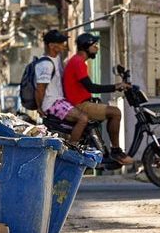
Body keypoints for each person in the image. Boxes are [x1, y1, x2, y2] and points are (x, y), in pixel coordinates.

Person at [62, 33, 133, 164]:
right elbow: (91, 87)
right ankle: (116, 151)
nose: (97, 48)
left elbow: (83, 88)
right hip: (80, 105)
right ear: (86, 46)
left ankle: (104, 150)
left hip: (81, 102)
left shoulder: (77, 61)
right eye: (94, 45)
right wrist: (116, 86)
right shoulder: (78, 62)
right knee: (115, 112)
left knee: (108, 110)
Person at [34, 29, 89, 146]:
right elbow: (40, 88)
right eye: (61, 43)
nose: (64, 46)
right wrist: (40, 107)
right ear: (52, 46)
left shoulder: (57, 58)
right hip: (52, 103)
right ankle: (73, 148)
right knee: (82, 119)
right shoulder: (45, 64)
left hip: (59, 100)